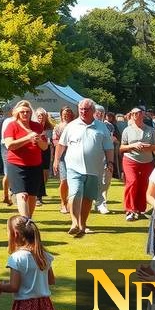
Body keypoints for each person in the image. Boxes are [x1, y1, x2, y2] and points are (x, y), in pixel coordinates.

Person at [53, 98, 114, 238]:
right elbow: (61, 144)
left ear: (93, 111)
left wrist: (110, 163)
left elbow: (109, 147)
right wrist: (56, 160)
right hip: (74, 167)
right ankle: (74, 223)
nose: (83, 111)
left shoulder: (101, 127)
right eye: (81, 109)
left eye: (86, 109)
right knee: (75, 193)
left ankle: (83, 224)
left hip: (94, 169)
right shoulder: (72, 126)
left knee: (87, 198)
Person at [0, 215, 58, 310]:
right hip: (45, 306)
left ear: (15, 234)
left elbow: (14, 286)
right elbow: (51, 280)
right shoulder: (44, 255)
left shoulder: (16, 258)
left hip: (25, 307)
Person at [2, 100, 48, 219]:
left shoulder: (37, 126)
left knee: (32, 195)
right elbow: (10, 145)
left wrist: (39, 141)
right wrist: (27, 138)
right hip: (16, 165)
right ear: (17, 113)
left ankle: (28, 220)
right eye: (22, 112)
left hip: (35, 165)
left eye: (28, 112)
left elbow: (45, 147)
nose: (25, 114)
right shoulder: (11, 126)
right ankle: (25, 220)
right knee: (22, 194)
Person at [120, 107, 155, 221]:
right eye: (134, 114)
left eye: (139, 113)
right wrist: (133, 146)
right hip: (130, 160)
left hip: (147, 161)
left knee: (144, 184)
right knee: (132, 182)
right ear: (131, 116)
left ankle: (140, 209)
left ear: (143, 115)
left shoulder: (151, 130)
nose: (137, 116)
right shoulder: (127, 130)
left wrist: (148, 147)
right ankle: (129, 210)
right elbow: (121, 148)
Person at [92, 104, 116, 214]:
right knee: (95, 181)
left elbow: (110, 141)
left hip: (106, 156)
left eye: (102, 113)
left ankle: (99, 202)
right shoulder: (90, 125)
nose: (100, 114)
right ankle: (100, 202)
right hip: (93, 157)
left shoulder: (109, 126)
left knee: (106, 181)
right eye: (98, 112)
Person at [52, 106, 75, 214]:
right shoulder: (57, 127)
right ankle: (63, 202)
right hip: (62, 156)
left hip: (75, 155)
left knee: (74, 181)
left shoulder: (76, 125)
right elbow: (56, 143)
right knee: (64, 180)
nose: (66, 115)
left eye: (69, 113)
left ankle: (72, 203)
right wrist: (56, 160)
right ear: (61, 114)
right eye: (65, 113)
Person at [33, 108, 52, 206]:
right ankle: (37, 196)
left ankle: (40, 192)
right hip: (37, 150)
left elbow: (51, 142)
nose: (41, 117)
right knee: (38, 173)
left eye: (42, 115)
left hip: (46, 150)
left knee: (45, 173)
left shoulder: (49, 127)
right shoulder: (34, 127)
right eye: (39, 115)